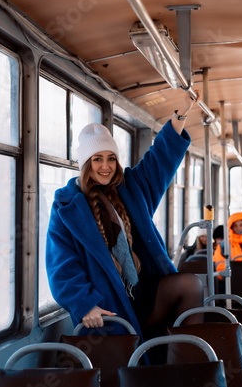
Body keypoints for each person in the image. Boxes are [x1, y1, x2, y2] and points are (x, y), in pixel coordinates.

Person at [45, 92, 203, 349]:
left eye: (111, 158)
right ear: (86, 164)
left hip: (142, 293)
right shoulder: (67, 208)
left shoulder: (131, 189)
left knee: (190, 284)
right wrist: (84, 304)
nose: (105, 166)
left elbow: (159, 161)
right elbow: (61, 265)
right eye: (97, 159)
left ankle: (188, 365)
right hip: (111, 304)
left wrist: (182, 113)